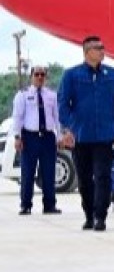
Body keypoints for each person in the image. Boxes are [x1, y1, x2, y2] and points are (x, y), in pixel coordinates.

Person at [57, 36, 114, 232]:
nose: (102, 51)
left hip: (105, 136)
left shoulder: (113, 75)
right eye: (98, 48)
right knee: (84, 179)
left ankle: (100, 216)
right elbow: (63, 105)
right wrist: (66, 129)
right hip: (80, 137)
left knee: (102, 176)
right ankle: (89, 215)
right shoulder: (71, 76)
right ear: (87, 51)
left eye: (103, 47)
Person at [13, 65, 61, 215]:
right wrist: (17, 137)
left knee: (49, 172)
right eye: (37, 74)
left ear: (46, 77)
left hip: (47, 137)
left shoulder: (52, 96)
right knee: (28, 173)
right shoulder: (23, 95)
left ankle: (49, 205)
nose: (40, 77)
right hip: (30, 137)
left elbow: (57, 118)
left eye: (42, 75)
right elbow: (18, 117)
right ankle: (26, 205)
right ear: (31, 76)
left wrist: (59, 137)